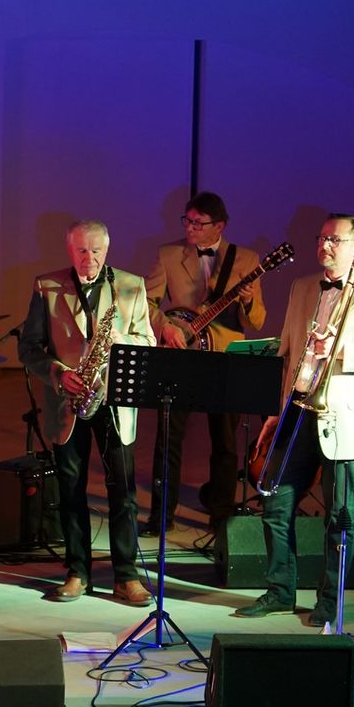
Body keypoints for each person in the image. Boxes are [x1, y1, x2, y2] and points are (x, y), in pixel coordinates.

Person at [233, 214, 354, 624]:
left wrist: (342, 351)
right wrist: (278, 411)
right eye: (322, 238)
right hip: (298, 412)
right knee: (275, 502)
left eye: (335, 239)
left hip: (344, 421)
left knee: (338, 516)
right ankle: (280, 591)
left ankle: (330, 601)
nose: (324, 245)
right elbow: (289, 354)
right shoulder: (302, 287)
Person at [19, 220, 156, 607]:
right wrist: (59, 374)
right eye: (81, 250)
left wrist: (120, 341)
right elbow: (29, 348)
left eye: (96, 251)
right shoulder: (46, 285)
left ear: (107, 250)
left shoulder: (131, 285)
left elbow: (148, 340)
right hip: (68, 401)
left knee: (123, 493)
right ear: (70, 250)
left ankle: (126, 576)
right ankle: (77, 571)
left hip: (114, 400)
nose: (89, 258)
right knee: (70, 490)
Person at [143, 192, 267, 535]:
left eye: (199, 223)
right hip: (181, 354)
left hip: (224, 359)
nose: (190, 228)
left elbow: (256, 321)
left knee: (225, 442)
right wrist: (165, 326)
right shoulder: (168, 254)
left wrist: (248, 301)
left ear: (219, 226)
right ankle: (161, 515)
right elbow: (147, 303)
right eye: (187, 220)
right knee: (168, 438)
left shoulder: (247, 259)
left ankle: (221, 515)